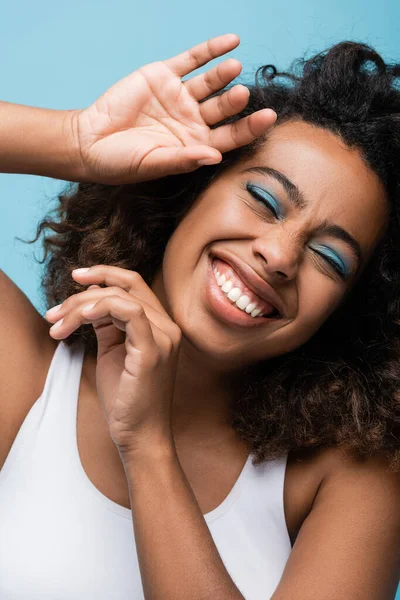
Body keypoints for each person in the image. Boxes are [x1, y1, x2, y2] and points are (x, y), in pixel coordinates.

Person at [0, 32, 399, 600]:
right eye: (263, 200)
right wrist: (70, 140)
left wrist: (147, 444)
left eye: (330, 258)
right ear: (187, 189)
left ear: (344, 312)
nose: (280, 256)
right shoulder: (27, 373)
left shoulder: (350, 478)